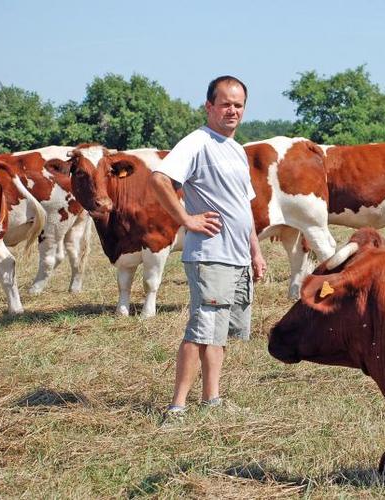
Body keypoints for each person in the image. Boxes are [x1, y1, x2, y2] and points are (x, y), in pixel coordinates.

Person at [149, 75, 267, 419]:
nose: (232, 111)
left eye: (238, 105)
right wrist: (187, 219)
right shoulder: (197, 143)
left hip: (236, 255)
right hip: (211, 253)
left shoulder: (235, 149)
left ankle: (211, 399)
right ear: (209, 106)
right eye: (225, 104)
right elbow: (160, 179)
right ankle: (177, 407)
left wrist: (255, 252)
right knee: (202, 327)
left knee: (219, 329)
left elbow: (242, 206)